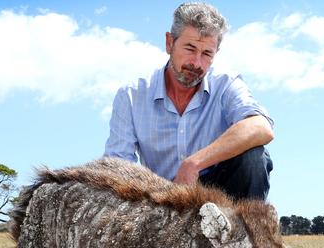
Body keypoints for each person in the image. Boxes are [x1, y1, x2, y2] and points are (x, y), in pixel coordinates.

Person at [104, 2, 274, 201]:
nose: (197, 63)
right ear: (169, 43)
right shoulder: (131, 96)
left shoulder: (226, 84)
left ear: (215, 54)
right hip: (159, 203)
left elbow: (260, 126)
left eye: (207, 54)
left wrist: (193, 164)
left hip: (219, 197)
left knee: (254, 158)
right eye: (190, 48)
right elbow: (117, 167)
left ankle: (244, 232)